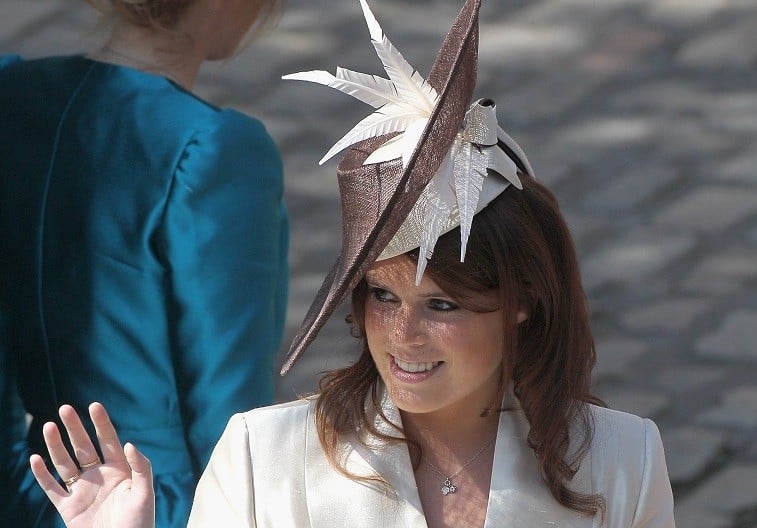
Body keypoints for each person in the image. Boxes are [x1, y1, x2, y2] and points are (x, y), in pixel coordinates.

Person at [27, 0, 676, 526]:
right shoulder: (264, 457)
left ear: (523, 298)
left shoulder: (621, 459)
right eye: (381, 295)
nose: (401, 334)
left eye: (441, 304)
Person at [0, 1, 288, 526]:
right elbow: (233, 417)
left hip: (35, 490)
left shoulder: (11, 94)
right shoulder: (216, 151)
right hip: (159, 503)